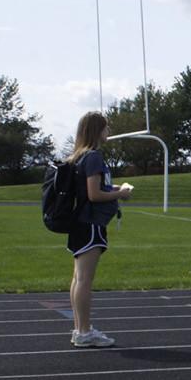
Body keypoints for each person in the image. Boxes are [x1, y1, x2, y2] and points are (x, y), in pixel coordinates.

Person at [67, 111, 132, 348]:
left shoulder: (78, 156)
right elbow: (94, 195)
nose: (109, 132)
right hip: (91, 223)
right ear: (97, 130)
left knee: (78, 278)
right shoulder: (93, 157)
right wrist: (120, 194)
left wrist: (113, 187)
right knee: (84, 280)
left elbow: (89, 189)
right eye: (106, 128)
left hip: (79, 223)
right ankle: (84, 332)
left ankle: (80, 329)